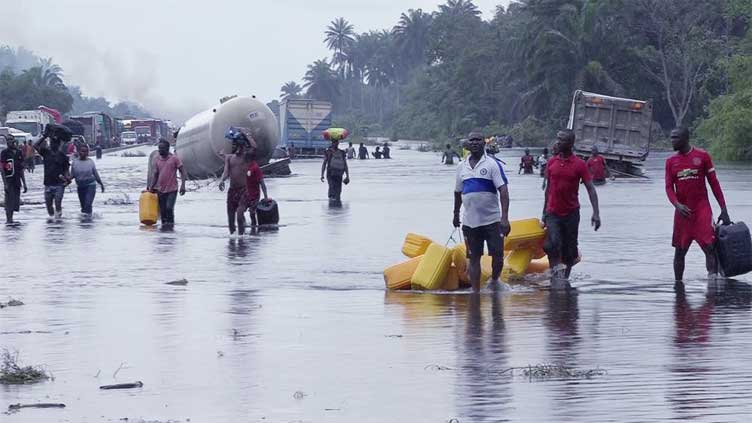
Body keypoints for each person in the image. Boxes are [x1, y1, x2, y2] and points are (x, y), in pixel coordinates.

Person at [665, 127, 730, 286]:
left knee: (710, 248)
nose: (672, 141)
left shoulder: (702, 156)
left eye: (675, 138)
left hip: (702, 210)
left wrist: (723, 208)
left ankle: (713, 286)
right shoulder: (670, 162)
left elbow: (714, 183)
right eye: (671, 137)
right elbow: (668, 188)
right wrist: (677, 204)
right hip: (682, 214)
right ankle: (678, 287)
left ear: (685, 138)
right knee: (679, 252)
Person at [542, 129, 601, 290]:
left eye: (562, 140)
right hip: (553, 212)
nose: (558, 142)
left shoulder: (580, 164)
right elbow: (548, 189)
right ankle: (555, 274)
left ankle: (565, 279)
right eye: (558, 138)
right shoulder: (551, 162)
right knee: (551, 244)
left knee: (569, 250)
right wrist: (544, 213)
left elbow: (590, 188)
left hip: (571, 213)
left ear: (570, 144)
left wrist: (596, 213)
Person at [453, 132, 511, 292]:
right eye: (471, 140)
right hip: (470, 222)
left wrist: (504, 219)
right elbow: (458, 192)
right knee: (473, 258)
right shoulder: (461, 167)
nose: (475, 143)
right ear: (468, 143)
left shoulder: (492, 164)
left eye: (478, 140)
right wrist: (455, 214)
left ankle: (494, 280)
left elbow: (504, 191)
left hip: (492, 221)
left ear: (484, 143)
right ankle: (476, 293)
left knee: (498, 256)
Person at [35, 124, 72, 220]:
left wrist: (67, 178)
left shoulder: (63, 157)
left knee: (58, 202)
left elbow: (66, 170)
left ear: (58, 144)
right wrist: (44, 136)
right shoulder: (46, 153)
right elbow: (35, 146)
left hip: (59, 184)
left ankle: (58, 220)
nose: (53, 144)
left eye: (55, 143)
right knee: (48, 205)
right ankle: (52, 219)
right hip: (48, 183)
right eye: (52, 143)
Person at [149, 139, 186, 227]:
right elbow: (155, 175)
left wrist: (183, 185)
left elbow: (183, 171)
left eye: (162, 148)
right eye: (159, 148)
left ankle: (171, 227)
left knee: (169, 208)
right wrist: (151, 187)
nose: (160, 150)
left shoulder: (174, 159)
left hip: (172, 189)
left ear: (167, 148)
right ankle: (165, 233)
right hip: (160, 190)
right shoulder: (157, 160)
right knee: (163, 211)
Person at [219, 139, 251, 235]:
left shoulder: (246, 157)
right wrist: (222, 180)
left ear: (242, 148)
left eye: (237, 146)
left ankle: (241, 236)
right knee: (230, 217)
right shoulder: (229, 158)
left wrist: (246, 136)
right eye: (234, 146)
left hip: (243, 190)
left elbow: (254, 147)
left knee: (240, 214)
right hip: (232, 190)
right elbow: (226, 172)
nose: (235, 148)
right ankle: (233, 237)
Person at [70, 144, 105, 216]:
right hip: (80, 186)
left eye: (85, 151)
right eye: (82, 151)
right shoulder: (75, 162)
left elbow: (95, 174)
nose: (83, 153)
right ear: (79, 152)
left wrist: (101, 184)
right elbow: (72, 175)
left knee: (88, 204)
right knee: (83, 207)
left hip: (90, 185)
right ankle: (86, 221)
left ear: (87, 153)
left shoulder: (90, 162)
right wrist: (65, 182)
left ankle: (89, 221)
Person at [1, 136, 27, 224]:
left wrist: (24, 183)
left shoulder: (19, 153)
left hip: (17, 180)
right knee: (9, 200)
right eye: (8, 140)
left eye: (11, 140)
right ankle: (9, 220)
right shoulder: (4, 153)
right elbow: (2, 169)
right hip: (9, 180)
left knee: (16, 200)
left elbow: (21, 169)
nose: (10, 142)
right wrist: (5, 183)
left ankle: (11, 219)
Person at [245, 147, 269, 227]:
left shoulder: (256, 169)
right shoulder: (245, 167)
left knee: (252, 213)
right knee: (239, 211)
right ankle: (243, 226)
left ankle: (254, 228)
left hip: (254, 195)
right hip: (245, 195)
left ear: (249, 159)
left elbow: (262, 183)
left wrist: (266, 197)